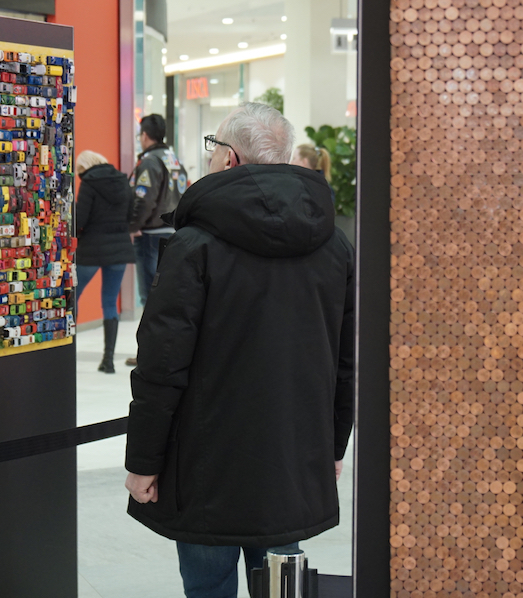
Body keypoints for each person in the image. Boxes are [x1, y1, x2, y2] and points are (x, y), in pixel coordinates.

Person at [124, 103, 355, 598]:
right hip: (292, 456)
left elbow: (161, 366)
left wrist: (144, 460)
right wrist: (333, 443)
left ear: (228, 159)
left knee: (208, 585)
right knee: (282, 581)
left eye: (212, 147)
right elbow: (343, 360)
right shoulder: (333, 245)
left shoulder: (194, 246)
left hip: (209, 465)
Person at [125, 113, 188, 367]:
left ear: (145, 135)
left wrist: (133, 225)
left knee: (149, 297)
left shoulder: (150, 162)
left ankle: (147, 355)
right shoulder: (173, 160)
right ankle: (162, 352)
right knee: (165, 296)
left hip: (150, 236)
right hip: (172, 233)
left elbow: (144, 199)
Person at [73, 150, 136, 374]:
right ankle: (108, 360)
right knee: (110, 302)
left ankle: (69, 351)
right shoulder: (123, 180)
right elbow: (131, 214)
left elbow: (80, 219)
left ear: (84, 168)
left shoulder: (89, 183)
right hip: (119, 249)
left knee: (73, 294)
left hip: (91, 249)